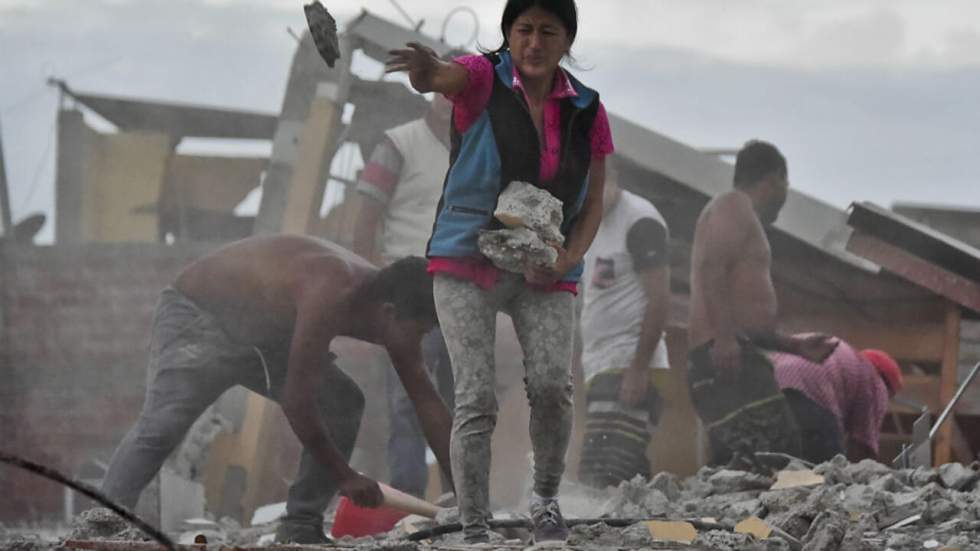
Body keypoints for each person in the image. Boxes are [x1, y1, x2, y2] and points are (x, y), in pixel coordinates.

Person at [386, 0, 613, 543]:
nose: (534, 42)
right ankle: (475, 524)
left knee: (554, 386)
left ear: (567, 42)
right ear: (508, 35)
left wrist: (567, 257)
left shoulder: (587, 108)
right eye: (523, 30)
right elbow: (446, 75)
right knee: (476, 397)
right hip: (467, 256)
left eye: (547, 32)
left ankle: (545, 501)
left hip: (545, 263)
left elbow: (594, 202)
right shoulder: (482, 78)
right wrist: (426, 74)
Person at [99, 235, 453, 544]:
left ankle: (300, 524)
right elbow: (296, 400)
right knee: (163, 425)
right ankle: (102, 527)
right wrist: (344, 475)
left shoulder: (394, 313)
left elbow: (428, 403)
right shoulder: (331, 289)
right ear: (390, 312)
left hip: (265, 337)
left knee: (341, 402)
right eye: (420, 332)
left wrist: (464, 494)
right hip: (200, 316)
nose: (419, 343)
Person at [687, 140, 837, 467]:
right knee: (776, 460)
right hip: (724, 357)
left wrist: (793, 346)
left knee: (757, 464)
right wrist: (725, 339)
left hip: (735, 353)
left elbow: (745, 315)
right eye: (786, 183)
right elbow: (713, 267)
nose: (785, 194)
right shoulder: (733, 205)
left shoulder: (742, 215)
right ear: (774, 179)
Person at [352, 92, 457, 499]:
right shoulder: (398, 144)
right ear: (432, 96)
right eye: (444, 91)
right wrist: (374, 293)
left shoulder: (476, 148)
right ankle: (410, 501)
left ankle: (461, 499)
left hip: (462, 294)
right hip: (411, 296)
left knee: (463, 402)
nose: (452, 101)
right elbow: (365, 223)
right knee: (408, 401)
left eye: (460, 92)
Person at [577, 156, 671, 488]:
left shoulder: (640, 221)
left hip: (630, 364)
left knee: (602, 471)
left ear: (612, 174)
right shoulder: (591, 224)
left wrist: (639, 367)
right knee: (625, 473)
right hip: (601, 367)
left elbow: (660, 300)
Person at [770, 338, 902, 463]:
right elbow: (862, 444)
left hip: (769, 391)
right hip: (809, 398)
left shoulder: (848, 360)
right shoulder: (875, 381)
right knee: (828, 470)